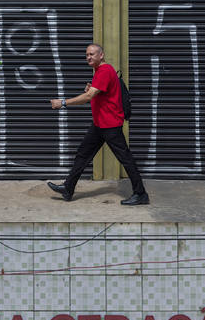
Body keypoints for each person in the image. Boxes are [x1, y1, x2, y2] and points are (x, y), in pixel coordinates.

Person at [46, 43, 150, 207]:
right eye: (87, 54)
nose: (89, 57)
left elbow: (89, 97)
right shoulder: (99, 72)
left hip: (110, 125)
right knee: (82, 154)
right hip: (99, 124)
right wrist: (91, 90)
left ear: (101, 55)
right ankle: (68, 188)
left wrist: (63, 103)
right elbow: (98, 94)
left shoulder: (104, 70)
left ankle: (141, 194)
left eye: (92, 54)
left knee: (126, 159)